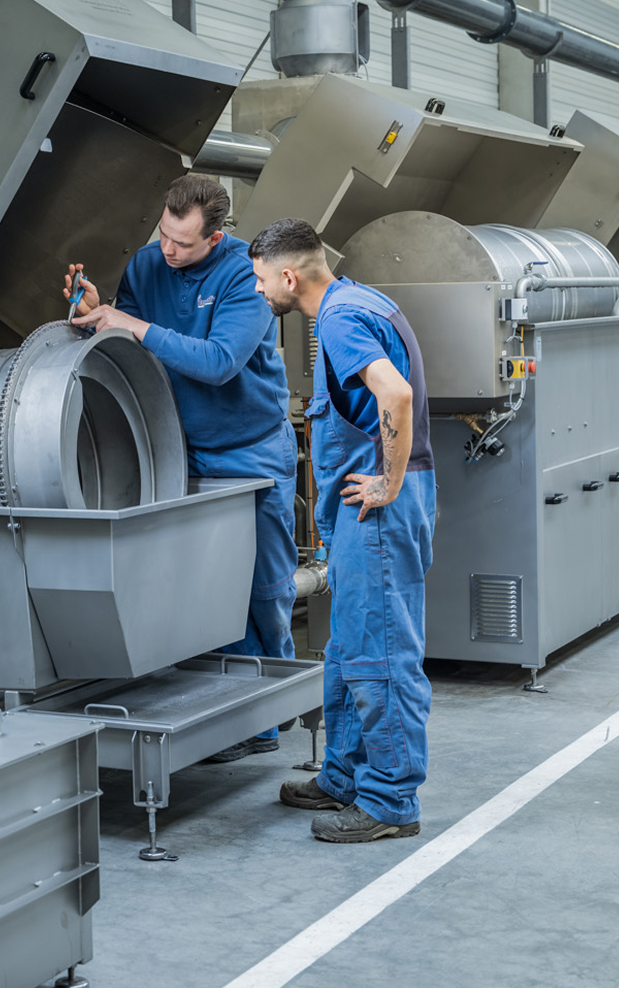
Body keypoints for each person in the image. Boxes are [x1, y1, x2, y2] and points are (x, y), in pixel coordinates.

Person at [65, 172, 299, 758]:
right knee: (204, 587)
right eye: (164, 235)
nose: (168, 250)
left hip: (250, 450)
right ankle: (232, 715)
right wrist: (98, 313)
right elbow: (128, 346)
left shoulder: (246, 274)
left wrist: (135, 325)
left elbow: (219, 362)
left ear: (215, 237)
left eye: (183, 243)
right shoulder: (146, 265)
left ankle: (273, 707)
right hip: (178, 448)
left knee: (263, 588)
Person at [249, 218, 435, 843]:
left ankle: (390, 802)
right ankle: (345, 777)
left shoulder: (338, 319)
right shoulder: (359, 299)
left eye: (260, 280)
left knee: (379, 655)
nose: (259, 291)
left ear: (288, 276)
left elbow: (395, 395)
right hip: (368, 515)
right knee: (348, 650)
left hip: (376, 514)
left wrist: (387, 481)